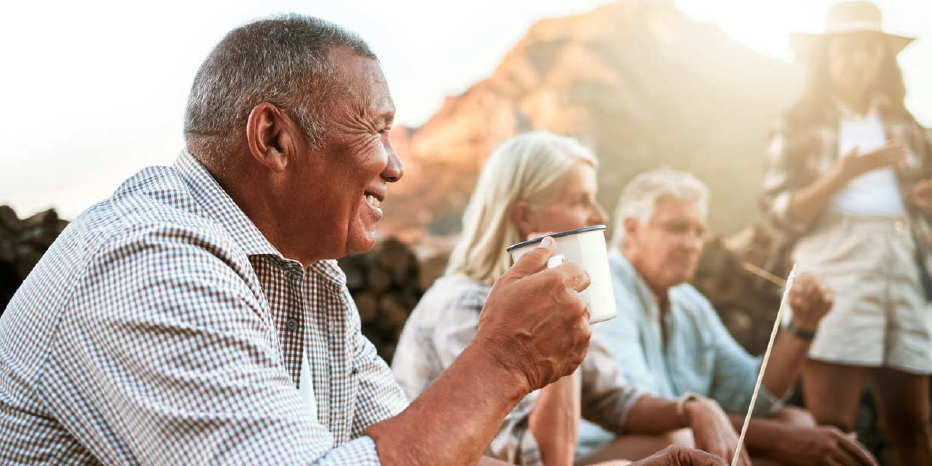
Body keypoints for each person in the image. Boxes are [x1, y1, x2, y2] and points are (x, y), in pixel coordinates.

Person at [0, 16, 722, 466]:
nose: (397, 163)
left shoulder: (311, 278)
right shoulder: (150, 263)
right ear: (274, 137)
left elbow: (421, 448)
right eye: (376, 129)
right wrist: (502, 362)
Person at [392, 131, 751, 466]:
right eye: (581, 201)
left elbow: (616, 401)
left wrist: (694, 407)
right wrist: (557, 310)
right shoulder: (464, 307)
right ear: (525, 216)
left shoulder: (542, 299)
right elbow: (546, 458)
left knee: (678, 438)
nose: (599, 216)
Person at [585, 168, 879, 466]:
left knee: (795, 419)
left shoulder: (688, 301)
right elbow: (651, 414)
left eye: (698, 232)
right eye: (677, 228)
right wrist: (783, 440)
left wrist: (803, 326)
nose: (692, 245)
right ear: (632, 228)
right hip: (603, 453)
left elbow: (750, 396)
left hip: (676, 437)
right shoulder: (606, 291)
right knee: (679, 446)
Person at [761, 2, 932, 465]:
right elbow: (778, 210)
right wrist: (841, 176)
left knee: (914, 423)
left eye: (869, 49)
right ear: (827, 56)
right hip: (835, 261)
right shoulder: (799, 124)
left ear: (882, 58)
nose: (859, 59)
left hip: (902, 260)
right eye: (848, 49)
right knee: (835, 426)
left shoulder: (907, 125)